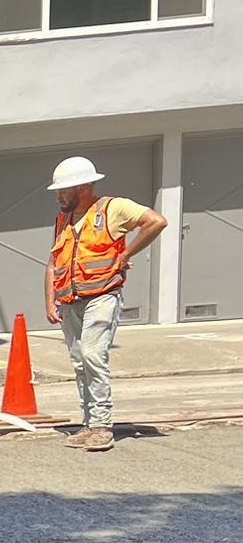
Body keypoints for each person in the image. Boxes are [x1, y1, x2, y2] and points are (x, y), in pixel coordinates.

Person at [43, 155, 169, 452]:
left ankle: (101, 426)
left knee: (92, 355)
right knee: (78, 362)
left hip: (102, 295)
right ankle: (88, 424)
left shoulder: (113, 209)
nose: (59, 196)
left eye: (64, 190)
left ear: (84, 187)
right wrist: (50, 302)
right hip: (70, 301)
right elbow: (52, 264)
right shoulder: (64, 219)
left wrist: (127, 255)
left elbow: (156, 221)